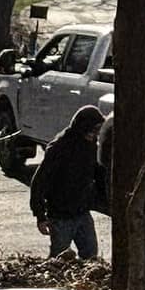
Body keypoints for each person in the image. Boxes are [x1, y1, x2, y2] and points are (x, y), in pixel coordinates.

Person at [28, 105, 104, 260]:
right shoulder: (60, 147)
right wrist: (40, 216)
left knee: (91, 257)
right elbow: (39, 182)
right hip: (60, 216)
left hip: (82, 212)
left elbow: (97, 173)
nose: (95, 134)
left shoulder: (90, 146)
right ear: (83, 127)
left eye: (98, 130)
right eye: (93, 129)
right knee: (60, 260)